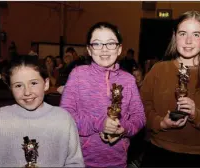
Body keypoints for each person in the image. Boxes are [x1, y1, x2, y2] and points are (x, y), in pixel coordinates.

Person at [140, 11, 200, 167]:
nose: (188, 41)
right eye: (183, 33)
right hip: (157, 153)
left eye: (196, 34)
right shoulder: (158, 70)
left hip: (197, 158)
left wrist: (197, 114)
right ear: (175, 36)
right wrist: (161, 123)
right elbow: (141, 108)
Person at [60, 22, 146, 168]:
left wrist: (122, 128)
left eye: (110, 43)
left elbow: (139, 117)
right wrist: (100, 123)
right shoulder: (78, 75)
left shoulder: (128, 80)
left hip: (118, 161)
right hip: (80, 161)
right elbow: (65, 116)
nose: (104, 50)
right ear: (89, 49)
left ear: (119, 49)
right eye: (97, 44)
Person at [0, 55, 84, 167]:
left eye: (33, 83)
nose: (27, 92)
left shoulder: (63, 119)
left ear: (46, 84)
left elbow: (74, 163)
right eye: (18, 85)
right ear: (10, 88)